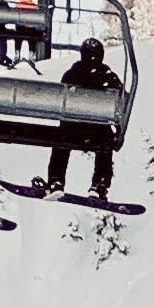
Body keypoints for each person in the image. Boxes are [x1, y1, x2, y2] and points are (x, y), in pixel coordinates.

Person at [44, 35, 124, 201]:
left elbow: (63, 102)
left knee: (61, 144)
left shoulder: (72, 75)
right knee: (105, 146)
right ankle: (100, 184)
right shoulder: (108, 77)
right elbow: (120, 104)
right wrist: (118, 130)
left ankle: (56, 180)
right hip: (98, 131)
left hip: (72, 129)